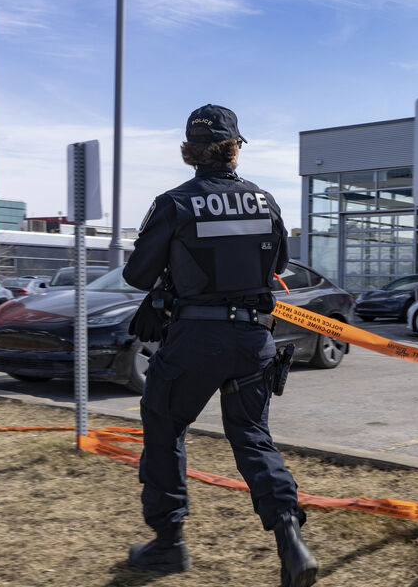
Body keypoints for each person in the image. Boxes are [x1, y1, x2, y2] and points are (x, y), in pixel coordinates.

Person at [122, 104, 318, 587]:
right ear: (235, 147)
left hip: (195, 340)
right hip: (254, 339)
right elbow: (277, 267)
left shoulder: (175, 202)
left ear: (190, 150)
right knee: (252, 437)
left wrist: (169, 285)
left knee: (164, 425)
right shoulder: (266, 201)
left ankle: (169, 544)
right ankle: (291, 539)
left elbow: (135, 274)